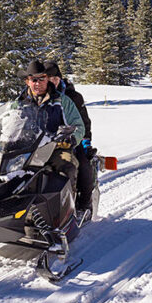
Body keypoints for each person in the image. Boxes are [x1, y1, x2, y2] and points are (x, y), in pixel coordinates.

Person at [15, 59, 85, 195]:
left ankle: (69, 207)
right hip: (25, 150)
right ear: (27, 81)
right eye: (33, 79)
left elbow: (78, 126)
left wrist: (70, 138)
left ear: (47, 79)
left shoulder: (62, 101)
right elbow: (8, 123)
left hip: (55, 148)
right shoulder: (19, 103)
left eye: (41, 79)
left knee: (66, 165)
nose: (37, 83)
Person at [44, 60, 96, 212]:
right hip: (43, 141)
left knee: (83, 165)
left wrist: (85, 141)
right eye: (49, 79)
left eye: (55, 78)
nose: (53, 82)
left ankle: (84, 204)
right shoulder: (40, 95)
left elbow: (84, 122)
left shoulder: (72, 97)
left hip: (71, 140)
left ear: (60, 78)